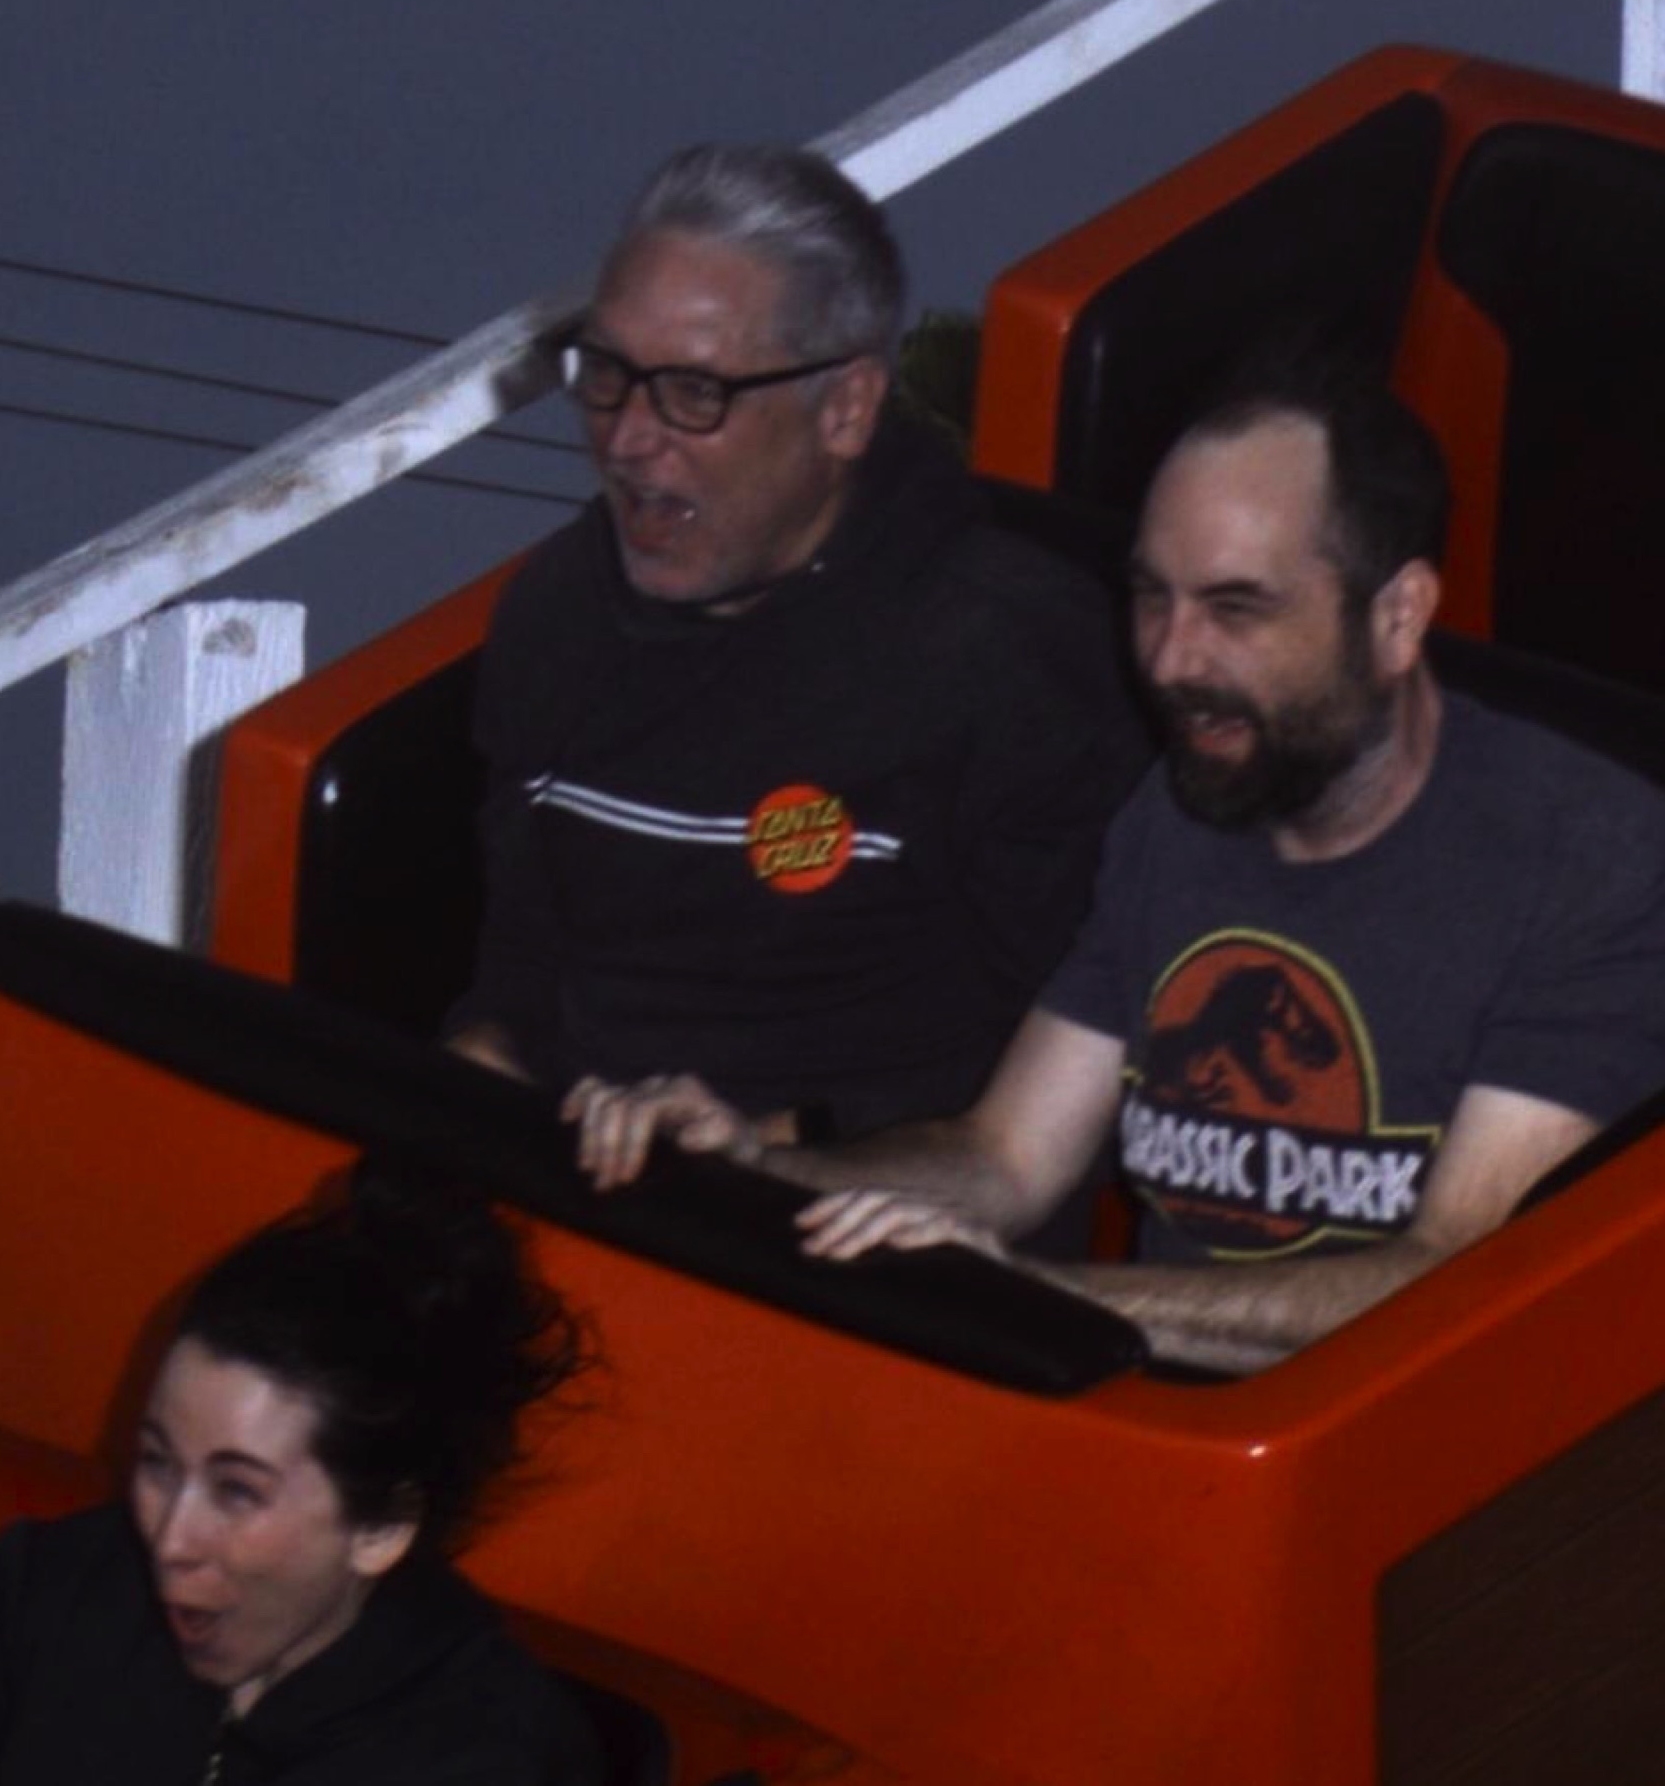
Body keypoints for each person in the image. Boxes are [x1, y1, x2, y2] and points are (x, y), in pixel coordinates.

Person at [561, 340, 1665, 1374]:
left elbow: (1455, 1289)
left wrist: (1039, 1293)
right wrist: (738, 1171)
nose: (1171, 660)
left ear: (1397, 615)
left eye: (1236, 609)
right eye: (1150, 599)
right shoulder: (1174, 818)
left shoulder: (1599, 869)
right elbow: (1005, 1159)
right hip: (1156, 1437)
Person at [446, 143, 1144, 1188]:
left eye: (691, 392)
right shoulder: (556, 612)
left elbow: (1082, 1056)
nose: (629, 441)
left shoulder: (1007, 653)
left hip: (869, 1229)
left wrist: (767, 1146)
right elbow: (512, 984)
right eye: (605, 375)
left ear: (847, 410)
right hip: (570, 1193)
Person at [0, 1164, 603, 1784]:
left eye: (237, 1492)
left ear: (382, 1526)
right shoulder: (55, 1587)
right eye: (159, 1463)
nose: (170, 1539)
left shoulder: (481, 1754)